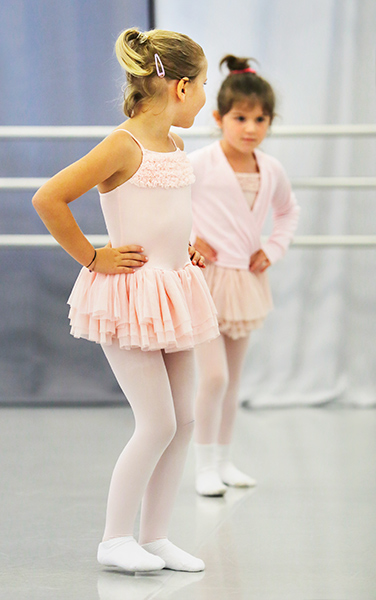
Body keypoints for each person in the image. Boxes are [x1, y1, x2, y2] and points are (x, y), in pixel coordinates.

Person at [32, 27, 218, 572]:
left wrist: (183, 246)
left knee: (184, 419)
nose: (205, 97)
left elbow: (161, 211)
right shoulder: (123, 144)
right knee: (156, 421)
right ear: (181, 87)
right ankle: (115, 538)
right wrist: (93, 258)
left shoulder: (176, 144)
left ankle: (155, 536)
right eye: (204, 86)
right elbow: (49, 198)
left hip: (175, 289)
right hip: (130, 297)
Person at [189, 55, 299, 497]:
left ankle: (223, 459)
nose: (250, 128)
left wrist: (271, 249)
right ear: (219, 118)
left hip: (245, 283)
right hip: (205, 280)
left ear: (270, 122)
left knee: (232, 379)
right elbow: (168, 206)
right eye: (240, 118)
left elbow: (288, 212)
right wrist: (191, 240)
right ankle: (201, 465)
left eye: (260, 119)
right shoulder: (199, 162)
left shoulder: (270, 170)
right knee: (211, 376)